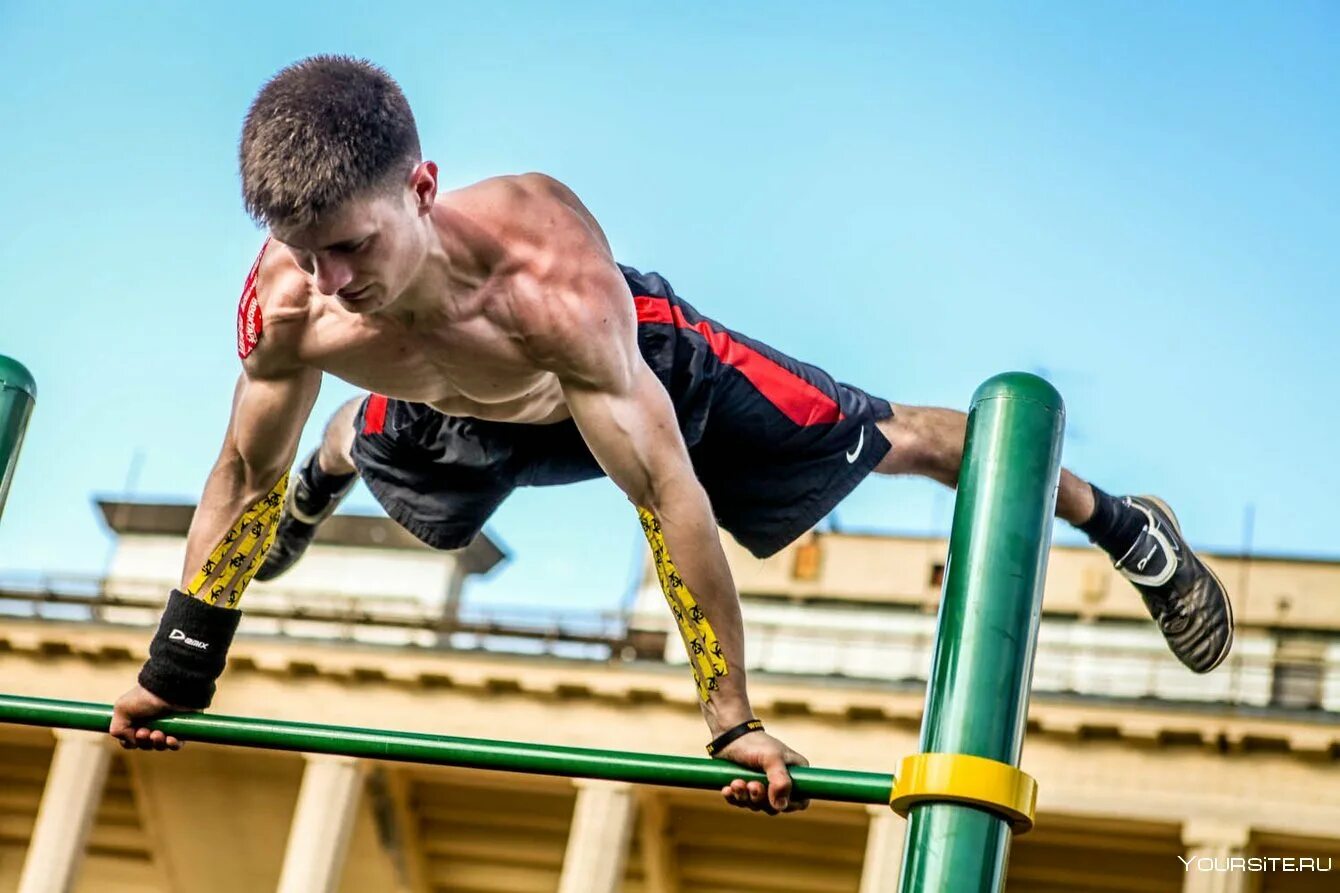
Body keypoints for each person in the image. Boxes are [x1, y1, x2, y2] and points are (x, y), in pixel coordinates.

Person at [110, 55, 1233, 816]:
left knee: (906, 441)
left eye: (353, 243)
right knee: (321, 450)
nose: (335, 279)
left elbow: (660, 494)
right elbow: (239, 470)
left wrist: (727, 715)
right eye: (309, 252)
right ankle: (345, 454)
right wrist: (177, 663)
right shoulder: (294, 304)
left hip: (633, 376)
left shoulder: (547, 282)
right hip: (453, 405)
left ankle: (1131, 530)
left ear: (422, 186)